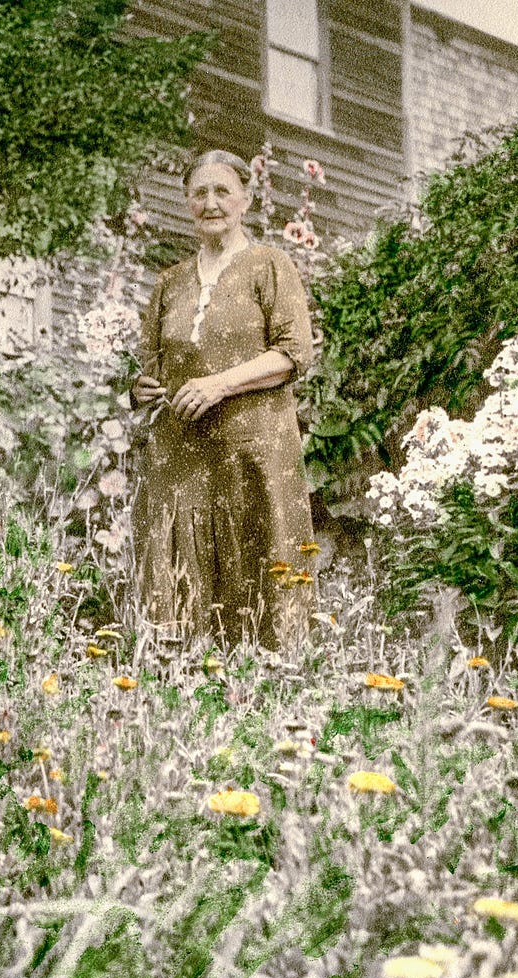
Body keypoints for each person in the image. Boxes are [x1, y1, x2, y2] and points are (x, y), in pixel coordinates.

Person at [130, 149, 316, 649]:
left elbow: (294, 353)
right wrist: (141, 388)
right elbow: (150, 366)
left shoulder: (270, 266)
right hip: (183, 456)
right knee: (178, 577)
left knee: (259, 571)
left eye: (222, 191)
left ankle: (269, 692)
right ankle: (182, 688)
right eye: (199, 193)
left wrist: (220, 384)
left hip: (252, 451)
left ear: (246, 199)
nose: (210, 203)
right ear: (188, 202)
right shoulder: (169, 283)